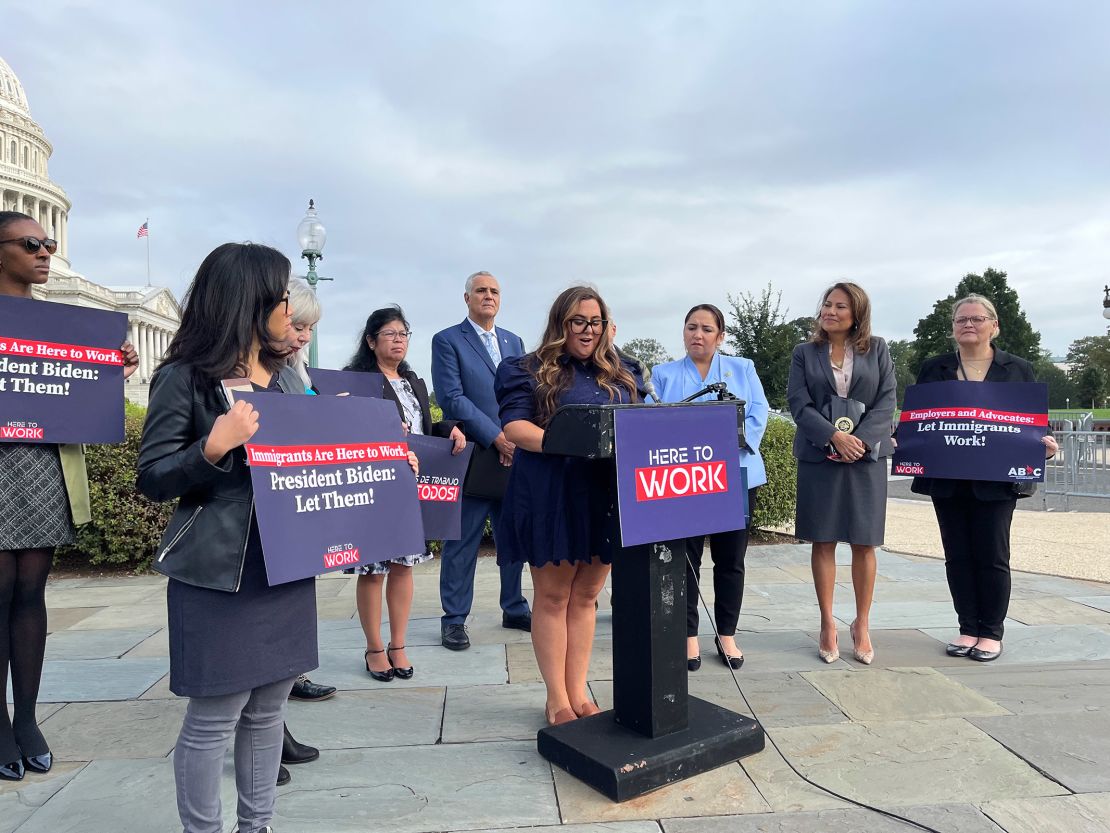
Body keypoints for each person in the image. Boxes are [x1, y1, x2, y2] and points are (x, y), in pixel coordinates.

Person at [137, 242, 317, 833]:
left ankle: (256, 825)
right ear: (251, 299)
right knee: (215, 715)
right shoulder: (184, 377)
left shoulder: (287, 377)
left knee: (268, 710)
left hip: (284, 565)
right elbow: (154, 477)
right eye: (284, 295)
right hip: (218, 572)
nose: (291, 308)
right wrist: (213, 446)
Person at [0, 212, 138, 782]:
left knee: (31, 591)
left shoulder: (63, 323)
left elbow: (69, 390)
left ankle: (28, 717)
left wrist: (113, 368)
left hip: (45, 465)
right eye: (31, 243)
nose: (44, 253)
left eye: (49, 243)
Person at [495, 285, 644, 725]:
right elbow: (516, 427)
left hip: (605, 494)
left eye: (595, 322)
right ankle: (556, 699)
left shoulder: (624, 371)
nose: (588, 330)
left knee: (587, 595)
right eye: (579, 321)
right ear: (562, 322)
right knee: (554, 595)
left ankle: (579, 692)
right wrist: (573, 445)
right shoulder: (525, 369)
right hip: (551, 492)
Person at [911, 294, 1058, 662]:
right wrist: (907, 441)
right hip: (948, 476)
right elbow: (921, 419)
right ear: (952, 328)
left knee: (992, 554)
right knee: (956, 555)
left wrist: (1046, 445)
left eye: (977, 319)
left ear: (994, 326)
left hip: (995, 480)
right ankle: (967, 627)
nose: (968, 325)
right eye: (961, 320)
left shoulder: (1018, 368)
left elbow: (1029, 421)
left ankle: (991, 632)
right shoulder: (934, 368)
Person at [344, 306, 465, 681]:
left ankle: (399, 644)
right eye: (390, 333)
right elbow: (340, 425)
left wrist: (449, 429)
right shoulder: (356, 380)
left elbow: (422, 425)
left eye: (404, 334)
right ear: (371, 340)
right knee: (373, 568)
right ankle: (374, 647)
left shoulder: (413, 380)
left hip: (411, 484)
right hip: (373, 483)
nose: (399, 340)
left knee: (402, 565)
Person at [652, 303, 769, 671]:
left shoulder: (742, 368)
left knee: (730, 559)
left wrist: (727, 442)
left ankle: (727, 633)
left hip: (735, 474)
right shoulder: (663, 374)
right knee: (687, 558)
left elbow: (758, 412)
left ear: (720, 336)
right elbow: (652, 421)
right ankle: (688, 635)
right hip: (685, 479)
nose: (697, 335)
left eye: (705, 329)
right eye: (690, 328)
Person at [787, 282, 895, 666]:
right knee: (824, 539)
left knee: (865, 543)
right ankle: (827, 623)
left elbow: (887, 401)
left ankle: (861, 624)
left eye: (840, 306)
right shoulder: (805, 353)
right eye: (827, 305)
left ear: (857, 314)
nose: (830, 311)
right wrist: (833, 437)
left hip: (865, 460)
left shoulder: (878, 348)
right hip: (820, 457)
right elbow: (798, 403)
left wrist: (860, 442)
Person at [431, 271, 531, 651]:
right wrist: (497, 436)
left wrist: (518, 438)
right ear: (467, 298)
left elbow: (523, 393)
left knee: (512, 537)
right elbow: (452, 397)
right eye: (481, 291)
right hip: (475, 455)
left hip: (514, 456)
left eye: (494, 291)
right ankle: (454, 619)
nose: (488, 296)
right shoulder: (448, 340)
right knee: (462, 541)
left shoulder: (514, 341)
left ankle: (515, 607)